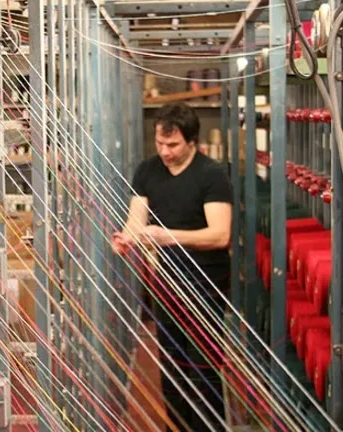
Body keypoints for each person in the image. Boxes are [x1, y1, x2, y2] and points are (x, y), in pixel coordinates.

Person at [112, 102, 233, 431]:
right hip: (166, 285)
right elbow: (136, 220)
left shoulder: (211, 175)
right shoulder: (147, 171)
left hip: (206, 285)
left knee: (204, 369)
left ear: (192, 141)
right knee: (171, 366)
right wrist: (126, 238)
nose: (165, 151)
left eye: (173, 145)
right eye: (160, 143)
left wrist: (167, 237)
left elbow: (220, 235)